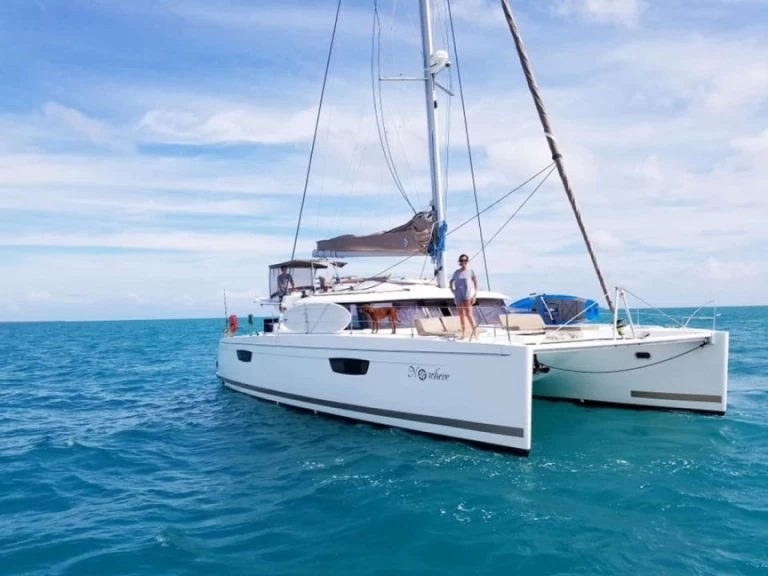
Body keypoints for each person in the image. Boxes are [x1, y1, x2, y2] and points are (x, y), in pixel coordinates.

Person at [449, 254, 478, 339]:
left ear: (467, 261)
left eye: (465, 260)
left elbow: (476, 282)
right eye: (461, 260)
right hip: (458, 294)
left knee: (469, 314)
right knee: (461, 314)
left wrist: (475, 294)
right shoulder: (456, 272)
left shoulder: (471, 271)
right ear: (459, 262)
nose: (463, 262)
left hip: (467, 293)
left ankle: (475, 333)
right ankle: (463, 333)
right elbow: (451, 281)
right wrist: (452, 290)